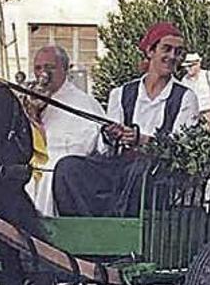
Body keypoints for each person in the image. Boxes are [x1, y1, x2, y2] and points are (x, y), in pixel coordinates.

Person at [53, 22, 199, 217]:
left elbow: (180, 149)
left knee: (141, 169)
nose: (172, 56)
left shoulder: (185, 98)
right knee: (68, 167)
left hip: (156, 176)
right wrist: (110, 135)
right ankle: (85, 228)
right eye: (167, 49)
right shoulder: (121, 94)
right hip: (117, 167)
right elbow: (104, 149)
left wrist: (142, 140)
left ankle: (118, 225)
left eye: (178, 52)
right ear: (150, 51)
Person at [26, 46, 105, 216]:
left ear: (64, 69)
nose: (43, 73)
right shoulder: (30, 98)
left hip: (63, 172)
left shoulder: (84, 104)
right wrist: (34, 114)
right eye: (38, 68)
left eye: (49, 67)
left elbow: (87, 147)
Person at [180, 52, 210, 123]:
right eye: (186, 67)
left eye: (190, 66)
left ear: (198, 65)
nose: (188, 69)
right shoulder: (184, 80)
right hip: (193, 116)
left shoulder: (208, 75)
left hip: (209, 113)